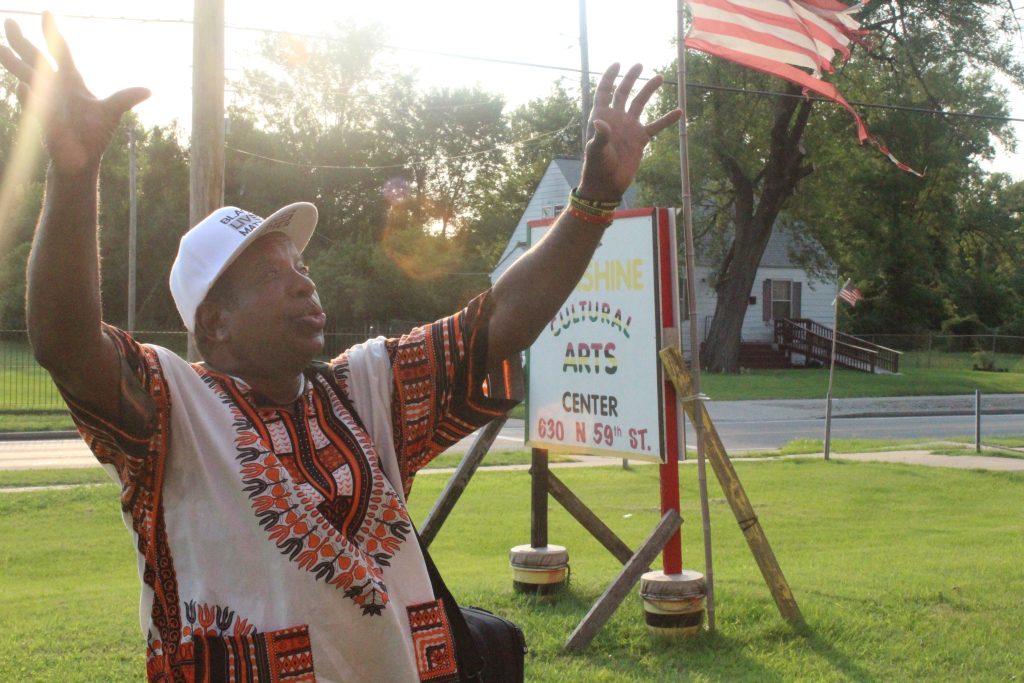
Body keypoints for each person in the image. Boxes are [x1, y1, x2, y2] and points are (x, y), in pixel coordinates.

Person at [1, 12, 682, 683]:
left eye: (301, 267)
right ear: (213, 326)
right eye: (272, 276)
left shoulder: (365, 388)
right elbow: (65, 343)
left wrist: (593, 198)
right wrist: (76, 174)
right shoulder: (174, 412)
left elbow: (493, 325)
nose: (303, 283)